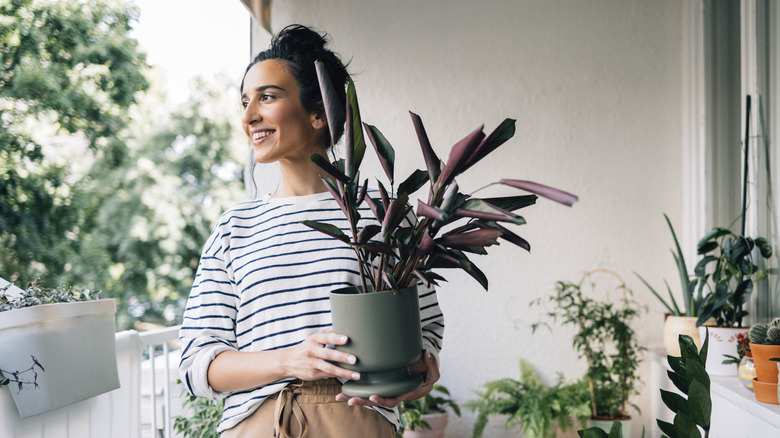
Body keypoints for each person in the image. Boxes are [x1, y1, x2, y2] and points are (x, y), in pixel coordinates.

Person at [178, 24, 445, 437]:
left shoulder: (383, 216)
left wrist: (416, 375)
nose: (249, 116)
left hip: (354, 421)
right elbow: (198, 365)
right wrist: (288, 361)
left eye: (266, 97)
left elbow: (424, 336)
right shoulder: (235, 229)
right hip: (256, 424)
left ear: (318, 112)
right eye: (245, 101)